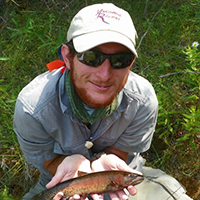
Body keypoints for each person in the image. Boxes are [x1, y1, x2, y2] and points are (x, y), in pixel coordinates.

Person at [13, 3, 193, 200]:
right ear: (67, 56)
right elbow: (49, 162)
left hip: (123, 183)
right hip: (59, 183)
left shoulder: (142, 100)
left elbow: (120, 153)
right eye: (91, 57)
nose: (105, 75)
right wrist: (69, 163)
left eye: (120, 60)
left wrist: (108, 159)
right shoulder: (32, 108)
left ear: (131, 63)